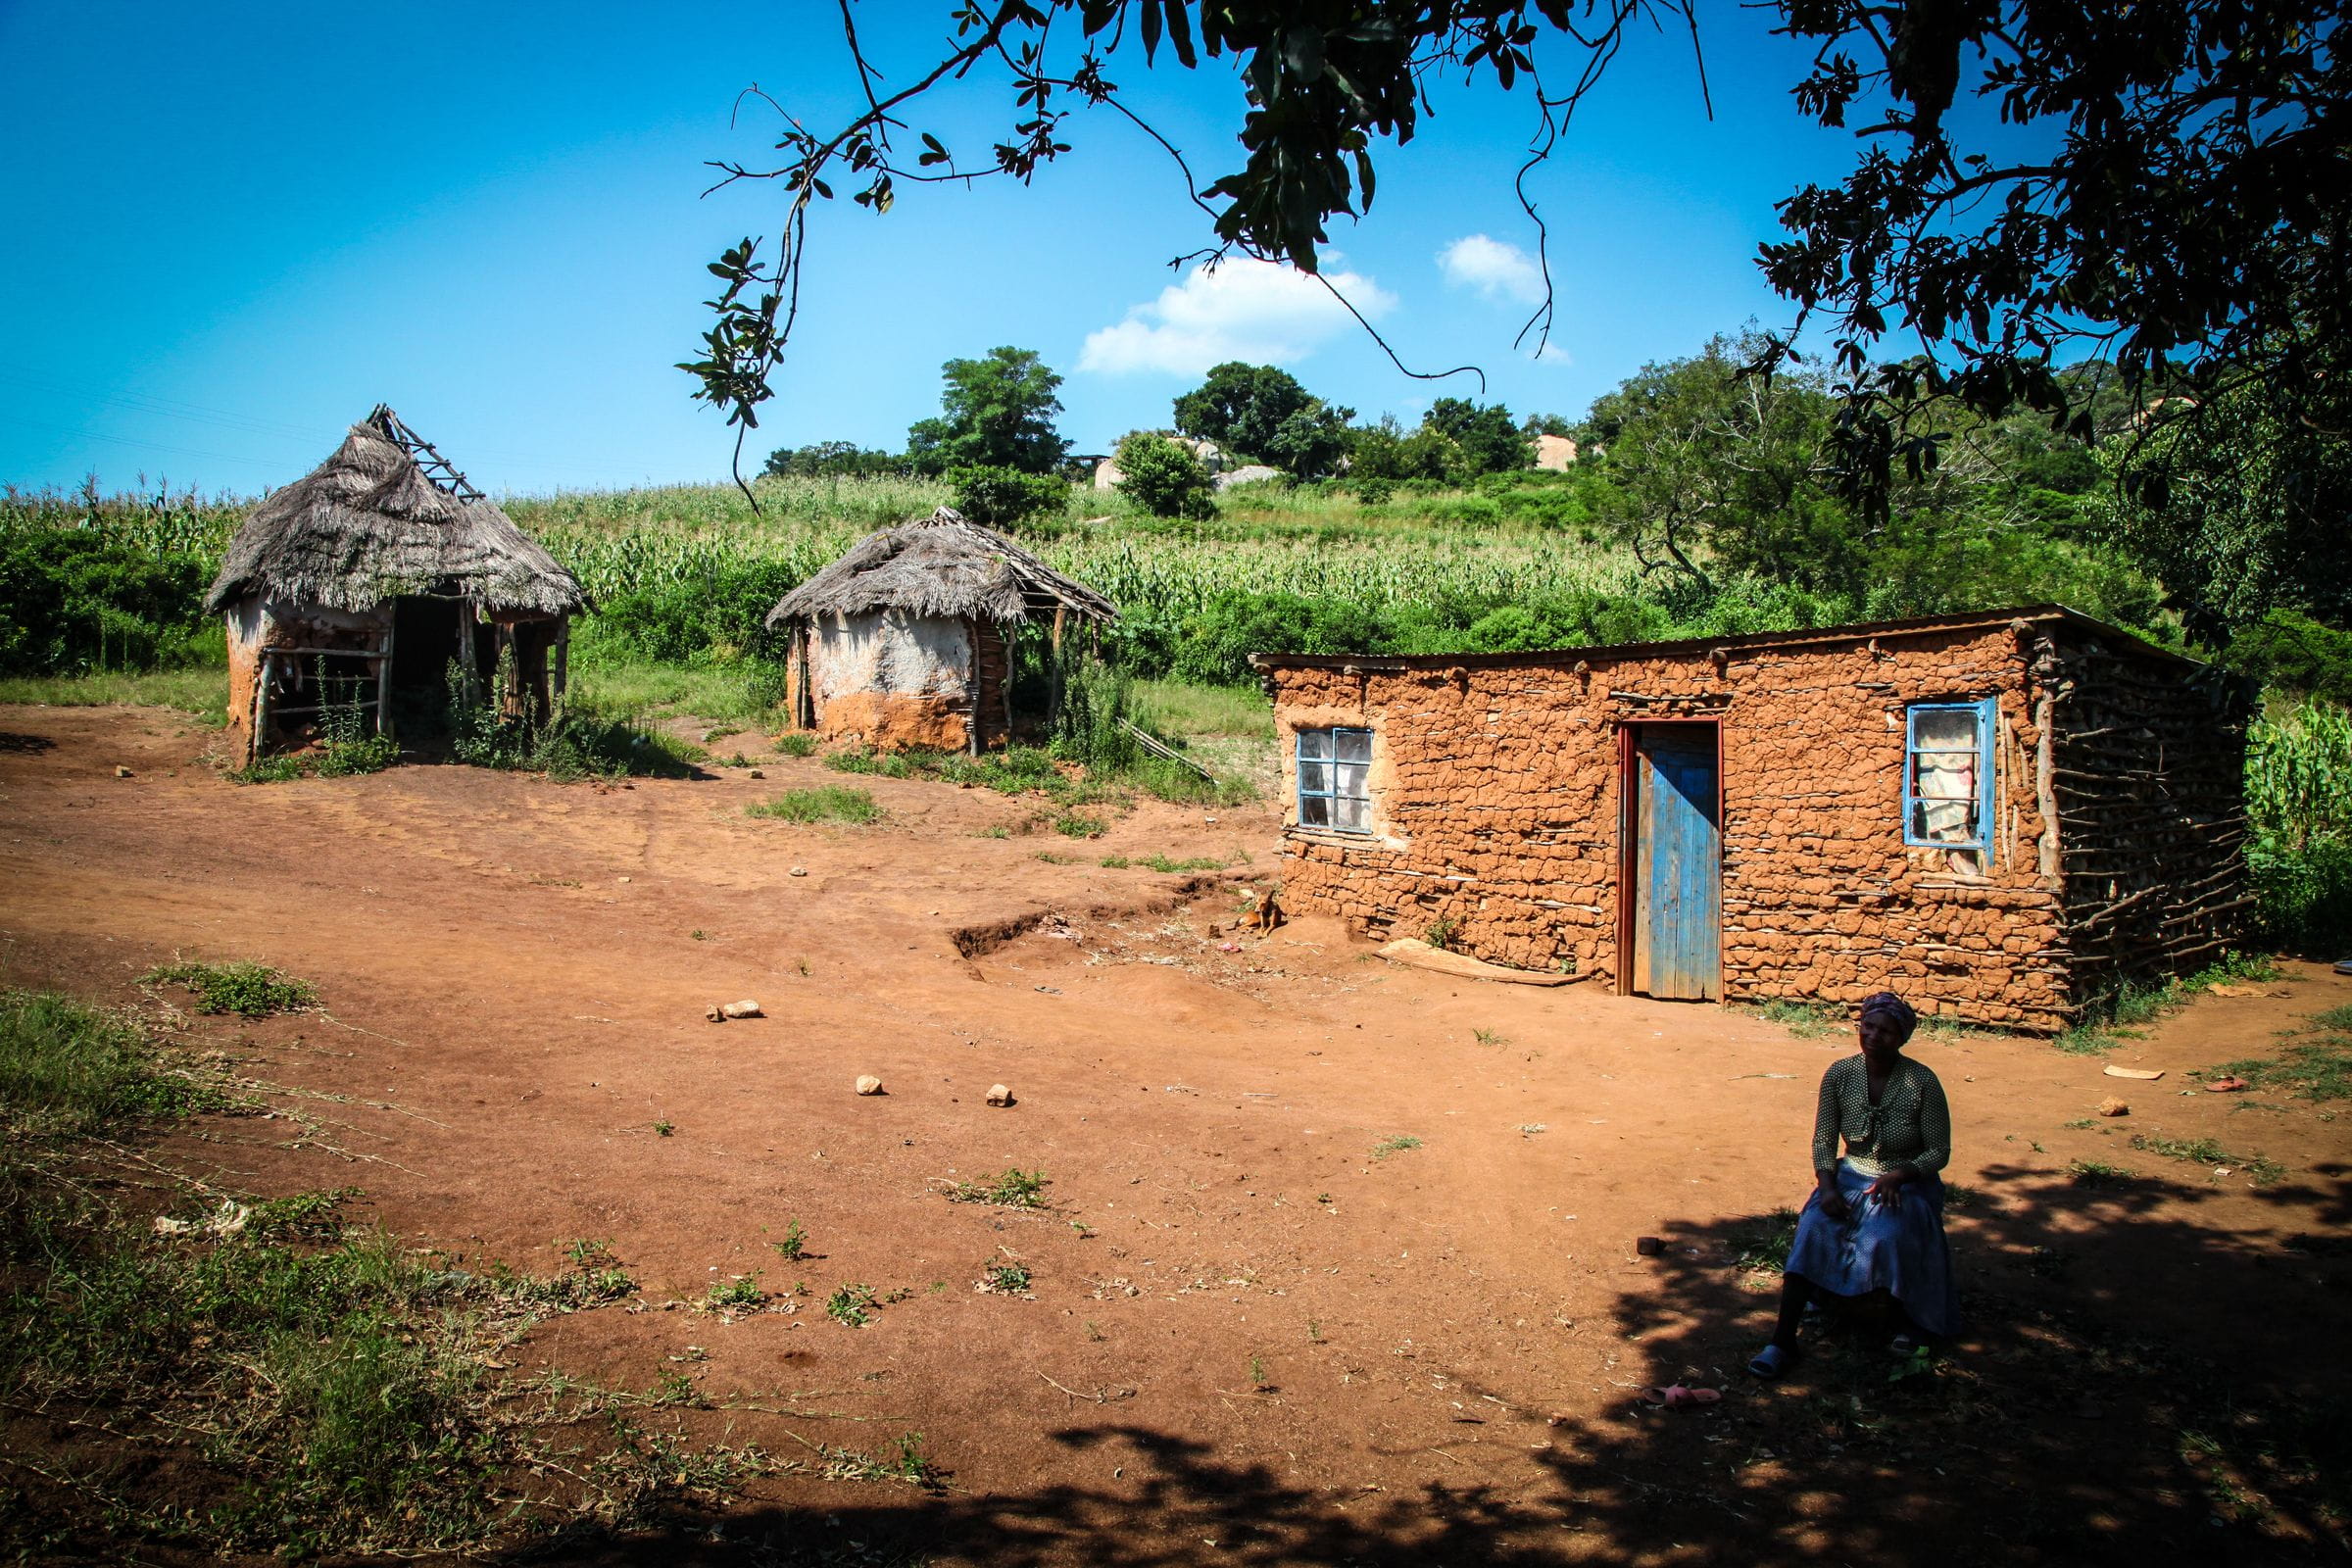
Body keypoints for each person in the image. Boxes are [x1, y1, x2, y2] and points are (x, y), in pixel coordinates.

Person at [1748, 991, 1958, 1378]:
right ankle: (1781, 1340)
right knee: (1813, 1228)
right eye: (1869, 1026)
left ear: (1903, 1038)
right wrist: (1826, 1187)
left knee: (1884, 1236)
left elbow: (1939, 1151)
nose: (1875, 1036)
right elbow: (1824, 1140)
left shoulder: (1922, 1081)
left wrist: (1900, 1175)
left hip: (1904, 1182)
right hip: (1849, 1176)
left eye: (1887, 1031)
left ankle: (1908, 1320)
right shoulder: (1840, 1074)